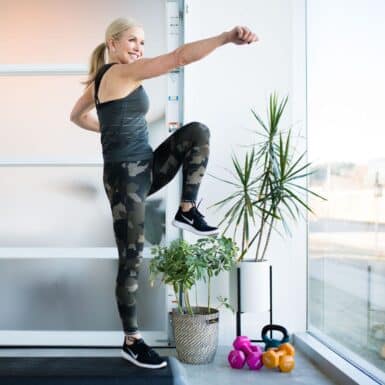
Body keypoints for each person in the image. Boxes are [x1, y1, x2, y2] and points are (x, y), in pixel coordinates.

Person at [70, 17, 258, 369]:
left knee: (196, 133)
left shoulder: (101, 81)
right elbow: (179, 57)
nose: (139, 48)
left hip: (146, 167)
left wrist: (106, 129)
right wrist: (224, 37)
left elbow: (76, 115)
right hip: (126, 179)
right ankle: (132, 340)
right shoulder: (120, 73)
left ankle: (188, 208)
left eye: (142, 42)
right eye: (132, 40)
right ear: (112, 43)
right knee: (132, 258)